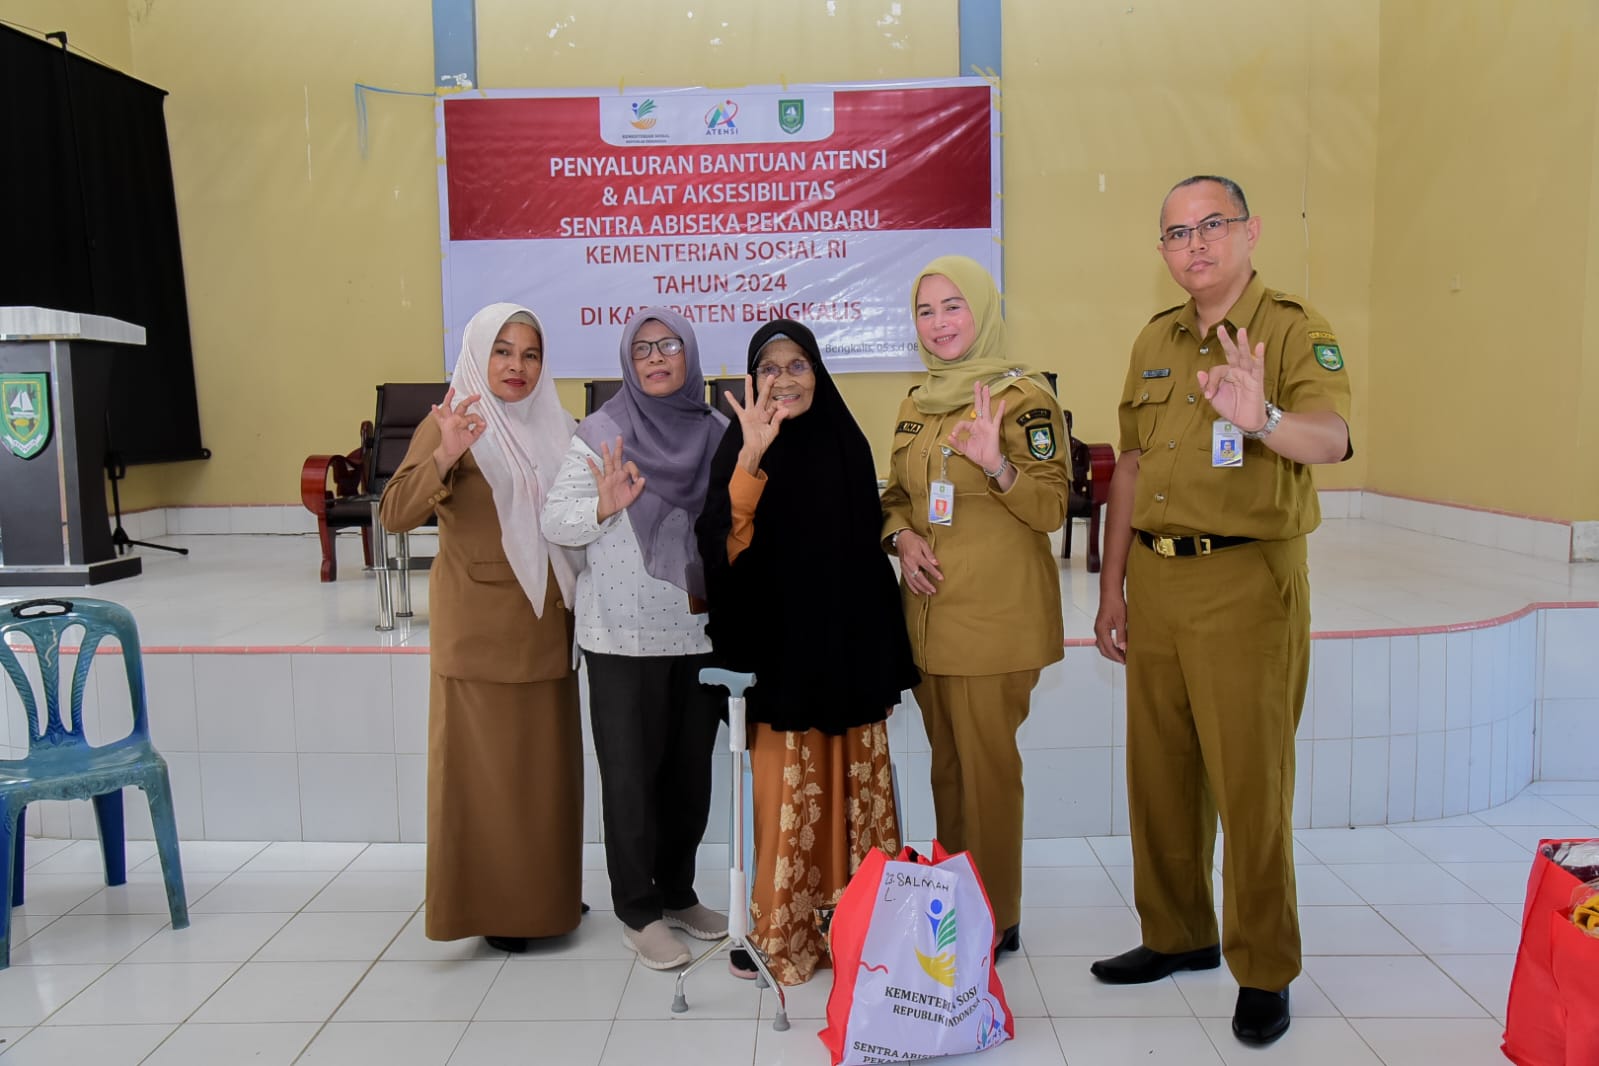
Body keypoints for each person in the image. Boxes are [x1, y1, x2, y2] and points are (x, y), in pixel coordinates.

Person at [1090, 175, 1353, 1046]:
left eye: (1210, 226)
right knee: (1158, 777)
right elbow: (1127, 466)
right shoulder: (1154, 338)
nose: (1193, 244)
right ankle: (1177, 935)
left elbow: (1332, 438)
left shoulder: (1289, 327)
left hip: (1246, 585)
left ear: (1249, 231)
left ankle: (1264, 968)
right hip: (1158, 582)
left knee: (1249, 785)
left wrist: (1263, 412)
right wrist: (1109, 587)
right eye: (1174, 233)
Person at [696, 319, 919, 985]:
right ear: (752, 378)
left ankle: (859, 927)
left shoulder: (845, 443)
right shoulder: (739, 446)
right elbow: (723, 547)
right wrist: (749, 461)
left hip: (846, 656)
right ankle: (780, 929)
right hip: (778, 656)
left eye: (798, 365)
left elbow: (863, 554)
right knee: (785, 800)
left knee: (853, 794)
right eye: (771, 367)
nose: (785, 378)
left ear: (817, 372)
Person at [880, 255, 1071, 953]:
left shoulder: (1023, 400)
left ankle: (996, 916)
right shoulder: (917, 401)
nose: (938, 324)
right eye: (925, 311)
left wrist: (997, 464)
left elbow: (1052, 506)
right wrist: (899, 537)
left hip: (993, 623)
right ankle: (959, 899)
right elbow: (896, 495)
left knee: (987, 775)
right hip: (928, 622)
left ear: (983, 309)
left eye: (953, 306)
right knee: (948, 768)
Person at [379, 302, 584, 952]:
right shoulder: (453, 422)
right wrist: (443, 457)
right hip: (483, 637)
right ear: (477, 355)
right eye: (502, 351)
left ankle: (545, 897)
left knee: (545, 778)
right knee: (491, 779)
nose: (517, 366)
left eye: (529, 353)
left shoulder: (557, 425)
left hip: (548, 627)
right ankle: (496, 908)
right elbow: (394, 515)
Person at [540, 306, 730, 970]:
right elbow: (557, 521)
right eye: (641, 347)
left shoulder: (716, 430)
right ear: (626, 358)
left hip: (698, 633)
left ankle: (677, 892)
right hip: (620, 635)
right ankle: (638, 911)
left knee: (688, 778)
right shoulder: (599, 433)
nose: (655, 357)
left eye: (668, 345)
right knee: (629, 779)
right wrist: (602, 504)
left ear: (689, 355)